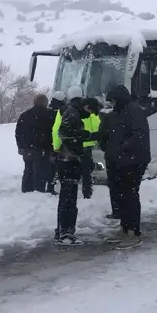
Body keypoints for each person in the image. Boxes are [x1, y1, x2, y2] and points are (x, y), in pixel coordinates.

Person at [101, 85, 151, 250]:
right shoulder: (118, 113)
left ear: (120, 99)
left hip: (134, 161)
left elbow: (139, 135)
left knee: (130, 195)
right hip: (121, 161)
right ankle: (124, 228)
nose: (112, 104)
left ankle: (134, 233)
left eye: (114, 100)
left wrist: (123, 146)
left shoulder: (134, 112)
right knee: (122, 196)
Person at [54, 86, 92, 245]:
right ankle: (66, 233)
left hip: (67, 160)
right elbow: (63, 132)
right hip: (69, 160)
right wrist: (79, 137)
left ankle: (62, 231)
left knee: (66, 198)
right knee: (68, 199)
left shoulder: (72, 111)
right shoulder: (72, 112)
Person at [15, 94, 54, 193]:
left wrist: (20, 146)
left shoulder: (25, 115)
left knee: (28, 169)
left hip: (28, 149)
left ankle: (26, 189)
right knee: (41, 171)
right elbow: (53, 132)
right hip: (43, 149)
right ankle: (39, 190)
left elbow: (18, 133)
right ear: (45, 103)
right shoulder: (50, 115)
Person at [97, 101, 120, 220]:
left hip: (111, 155)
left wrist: (106, 148)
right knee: (125, 185)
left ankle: (116, 211)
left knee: (114, 184)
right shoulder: (128, 115)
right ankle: (126, 211)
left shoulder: (107, 117)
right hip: (125, 156)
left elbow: (101, 136)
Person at [80, 98, 101, 199]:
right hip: (87, 144)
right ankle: (87, 192)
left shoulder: (74, 111)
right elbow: (97, 127)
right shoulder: (91, 113)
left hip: (75, 144)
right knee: (86, 171)